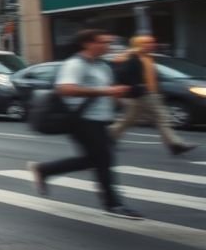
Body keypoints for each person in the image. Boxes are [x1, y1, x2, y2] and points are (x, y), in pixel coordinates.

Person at [29, 29, 143, 220]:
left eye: (108, 42)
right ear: (88, 44)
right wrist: (105, 92)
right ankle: (113, 204)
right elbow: (65, 89)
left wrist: (118, 98)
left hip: (100, 120)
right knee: (104, 160)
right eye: (103, 42)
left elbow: (107, 90)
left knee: (94, 160)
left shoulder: (103, 66)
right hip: (82, 120)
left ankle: (45, 170)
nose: (108, 46)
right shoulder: (75, 64)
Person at [109, 35, 197, 156]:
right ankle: (175, 144)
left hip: (149, 93)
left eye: (152, 42)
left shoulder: (148, 57)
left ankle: (107, 138)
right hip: (142, 94)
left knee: (128, 120)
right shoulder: (130, 57)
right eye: (147, 43)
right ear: (138, 45)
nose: (151, 45)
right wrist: (137, 86)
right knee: (162, 118)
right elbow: (121, 73)